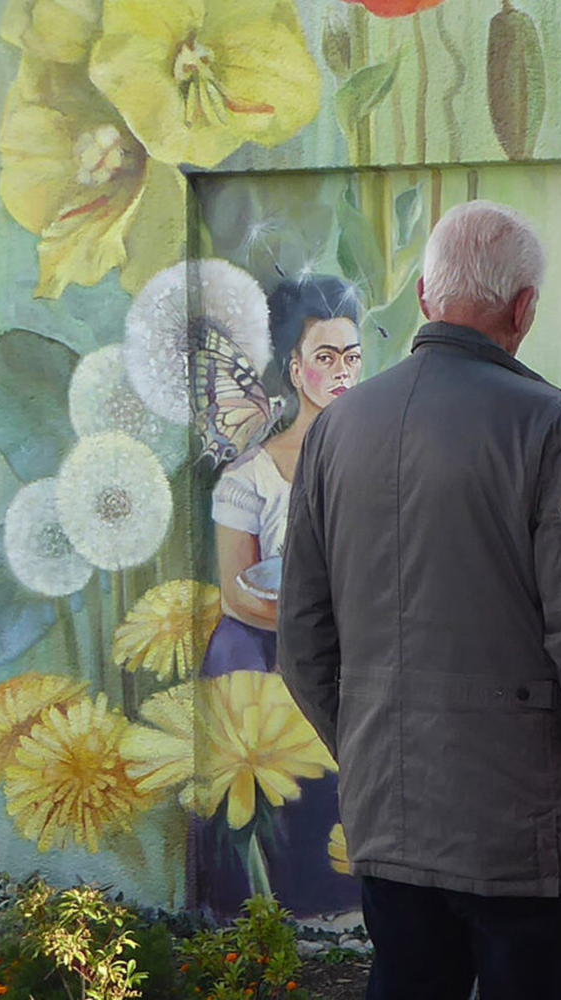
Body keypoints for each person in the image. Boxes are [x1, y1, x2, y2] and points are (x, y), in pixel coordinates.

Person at [280, 200, 561, 1000]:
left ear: (428, 297)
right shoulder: (552, 429)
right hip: (530, 830)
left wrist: (373, 745)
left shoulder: (335, 428)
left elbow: (301, 641)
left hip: (388, 815)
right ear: (525, 308)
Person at [193, 272, 366, 922]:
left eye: (351, 357)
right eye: (325, 357)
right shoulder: (252, 475)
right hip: (271, 653)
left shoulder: (379, 464)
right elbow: (238, 595)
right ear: (296, 369)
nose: (341, 371)